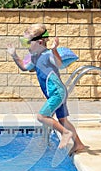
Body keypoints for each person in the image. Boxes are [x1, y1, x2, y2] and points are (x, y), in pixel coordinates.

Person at [7, 23, 86, 155]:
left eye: (27, 43)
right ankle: (79, 143)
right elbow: (24, 67)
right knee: (63, 120)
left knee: (42, 116)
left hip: (57, 93)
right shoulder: (34, 57)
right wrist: (14, 55)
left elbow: (59, 64)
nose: (25, 46)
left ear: (39, 42)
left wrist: (54, 49)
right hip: (55, 93)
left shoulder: (48, 54)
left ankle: (65, 133)